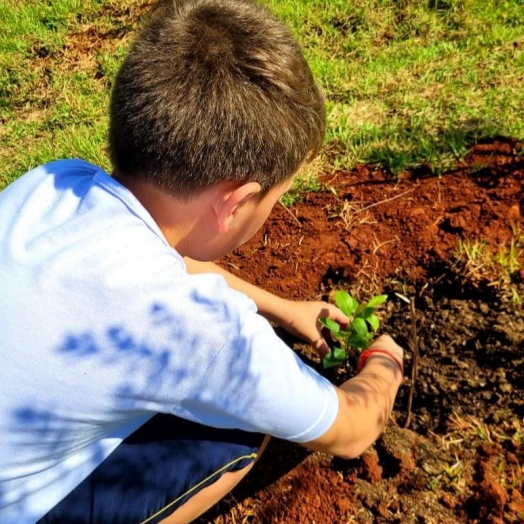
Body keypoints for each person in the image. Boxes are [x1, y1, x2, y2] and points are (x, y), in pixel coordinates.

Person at [0, 0, 404, 522]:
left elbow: (172, 268)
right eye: (274, 198)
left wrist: (282, 308)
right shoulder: (207, 336)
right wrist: (385, 364)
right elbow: (353, 429)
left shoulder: (54, 183)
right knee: (230, 434)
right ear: (235, 202)